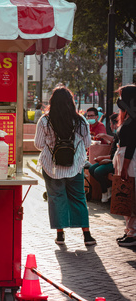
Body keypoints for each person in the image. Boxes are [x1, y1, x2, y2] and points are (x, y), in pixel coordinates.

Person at [34, 85, 96, 246]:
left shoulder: (45, 121)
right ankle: (87, 235)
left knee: (56, 199)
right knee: (79, 198)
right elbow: (88, 142)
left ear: (52, 102)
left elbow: (39, 144)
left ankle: (60, 235)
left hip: (52, 167)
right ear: (71, 102)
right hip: (75, 167)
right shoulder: (80, 120)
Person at [113, 84, 136, 248]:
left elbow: (132, 145)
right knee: (125, 196)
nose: (119, 100)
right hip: (123, 159)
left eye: (121, 96)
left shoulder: (133, 120)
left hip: (130, 161)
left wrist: (124, 167)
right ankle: (129, 230)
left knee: (130, 195)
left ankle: (133, 232)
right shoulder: (129, 117)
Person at [88, 113, 118, 203]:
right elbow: (113, 140)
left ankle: (104, 191)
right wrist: (104, 136)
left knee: (98, 171)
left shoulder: (123, 132)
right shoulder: (118, 134)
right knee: (91, 168)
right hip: (111, 159)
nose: (110, 126)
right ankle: (108, 187)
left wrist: (103, 158)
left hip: (116, 161)